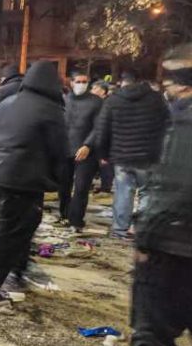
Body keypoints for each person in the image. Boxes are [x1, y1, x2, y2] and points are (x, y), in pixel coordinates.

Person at [0, 61, 69, 310]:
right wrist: (58, 180)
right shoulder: (50, 109)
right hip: (26, 179)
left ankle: (16, 268)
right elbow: (60, 149)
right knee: (10, 232)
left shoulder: (7, 102)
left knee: (19, 227)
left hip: (1, 175)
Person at [130, 43, 192, 346]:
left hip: (172, 247)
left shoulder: (184, 122)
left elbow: (176, 184)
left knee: (153, 333)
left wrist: (145, 236)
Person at [92, 71, 169, 240]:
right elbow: (167, 125)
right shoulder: (156, 99)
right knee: (146, 193)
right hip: (148, 155)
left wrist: (102, 153)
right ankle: (141, 228)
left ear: (122, 82)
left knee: (123, 192)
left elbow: (102, 128)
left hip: (121, 154)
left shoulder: (114, 99)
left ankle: (120, 229)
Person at [55, 72, 104, 233]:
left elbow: (99, 126)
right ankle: (64, 214)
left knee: (82, 187)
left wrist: (88, 145)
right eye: (78, 81)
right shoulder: (63, 100)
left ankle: (76, 220)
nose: (81, 84)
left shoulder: (96, 102)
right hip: (64, 149)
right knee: (63, 185)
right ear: (71, 82)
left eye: (84, 81)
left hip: (86, 151)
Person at [90, 81, 113, 193]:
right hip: (93, 138)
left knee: (104, 163)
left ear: (103, 91)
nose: (92, 91)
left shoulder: (108, 104)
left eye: (95, 88)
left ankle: (106, 187)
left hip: (105, 138)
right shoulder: (93, 103)